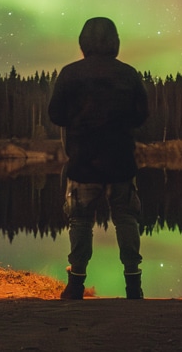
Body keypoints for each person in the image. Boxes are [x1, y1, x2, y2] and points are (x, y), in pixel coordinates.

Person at [48, 17, 150, 300]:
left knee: (80, 221)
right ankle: (133, 285)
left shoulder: (70, 74)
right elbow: (141, 116)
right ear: (115, 42)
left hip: (83, 162)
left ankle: (76, 284)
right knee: (126, 219)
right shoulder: (128, 74)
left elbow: (55, 115)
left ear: (83, 42)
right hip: (120, 162)